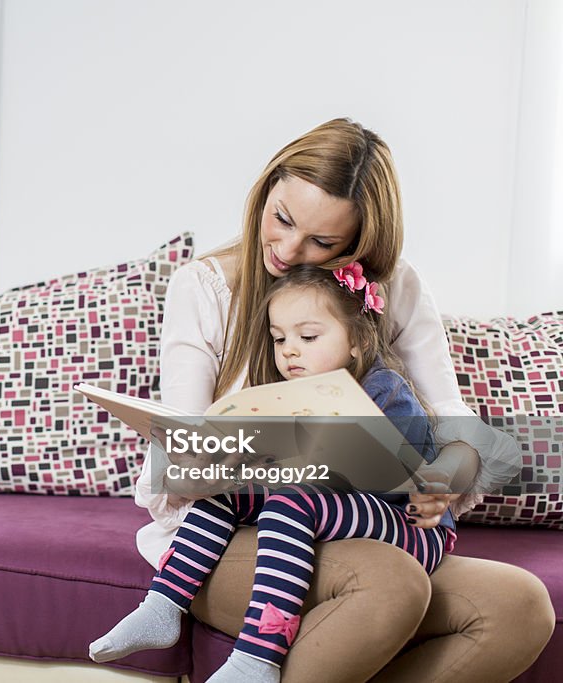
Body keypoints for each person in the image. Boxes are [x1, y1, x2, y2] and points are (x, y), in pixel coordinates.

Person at [125, 119, 554, 681]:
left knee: (519, 604)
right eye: (281, 219)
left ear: (359, 241)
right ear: (267, 187)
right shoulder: (204, 287)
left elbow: (457, 423)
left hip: (363, 521)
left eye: (323, 242)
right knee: (389, 583)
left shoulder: (392, 287)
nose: (288, 249)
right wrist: (215, 457)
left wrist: (450, 471)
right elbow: (177, 456)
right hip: (233, 532)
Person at [90, 264, 456, 682]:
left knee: (292, 499)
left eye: (308, 337)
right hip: (341, 509)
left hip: (413, 527)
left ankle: (258, 658)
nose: (290, 351)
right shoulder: (288, 396)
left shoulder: (384, 389)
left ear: (356, 339)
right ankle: (162, 606)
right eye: (280, 338)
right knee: (226, 493)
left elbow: (411, 472)